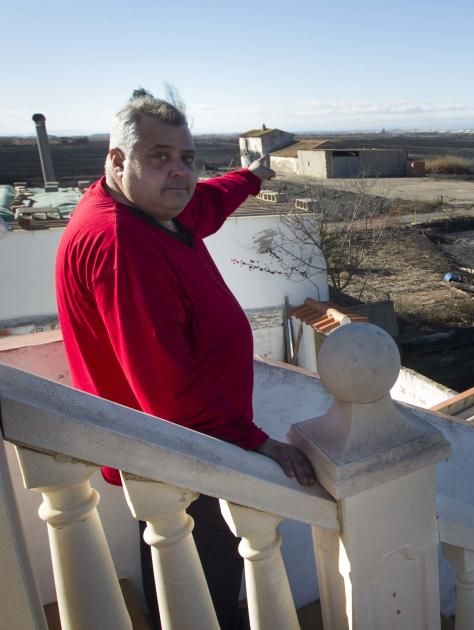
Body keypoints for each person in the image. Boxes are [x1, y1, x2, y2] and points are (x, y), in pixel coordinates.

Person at [54, 89, 314, 630]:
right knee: (202, 588)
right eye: (159, 157)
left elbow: (206, 203)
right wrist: (253, 441)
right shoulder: (121, 244)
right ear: (117, 160)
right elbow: (167, 385)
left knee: (179, 569)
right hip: (186, 453)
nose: (180, 173)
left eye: (188, 158)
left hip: (179, 448)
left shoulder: (149, 211)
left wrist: (252, 177)